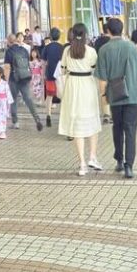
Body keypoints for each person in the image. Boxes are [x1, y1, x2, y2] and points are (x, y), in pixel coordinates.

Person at [95, 17, 137, 178]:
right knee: (130, 130)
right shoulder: (131, 47)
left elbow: (102, 77)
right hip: (132, 95)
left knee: (117, 128)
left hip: (115, 95)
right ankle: (129, 166)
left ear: (108, 31)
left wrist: (103, 97)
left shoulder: (104, 50)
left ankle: (119, 160)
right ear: (122, 30)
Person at [58, 23, 102, 175]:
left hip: (72, 86)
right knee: (92, 121)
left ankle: (82, 163)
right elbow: (95, 69)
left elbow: (63, 70)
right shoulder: (91, 51)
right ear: (85, 34)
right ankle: (92, 157)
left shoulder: (67, 51)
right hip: (87, 85)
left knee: (77, 125)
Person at [4, 33, 43, 131]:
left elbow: (7, 67)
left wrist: (5, 81)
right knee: (28, 99)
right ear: (16, 40)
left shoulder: (9, 51)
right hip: (25, 77)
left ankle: (15, 122)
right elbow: (28, 65)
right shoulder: (24, 50)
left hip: (13, 79)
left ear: (8, 41)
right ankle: (37, 119)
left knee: (13, 100)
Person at [42, 27, 64, 127]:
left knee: (49, 96)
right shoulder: (62, 47)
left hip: (50, 74)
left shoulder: (47, 47)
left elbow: (43, 62)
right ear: (59, 36)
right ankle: (63, 117)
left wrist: (43, 74)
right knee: (62, 96)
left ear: (50, 36)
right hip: (60, 75)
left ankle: (48, 116)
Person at [93, 23, 112, 123]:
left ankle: (106, 114)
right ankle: (113, 113)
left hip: (101, 68)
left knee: (103, 92)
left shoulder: (98, 41)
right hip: (113, 68)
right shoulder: (112, 41)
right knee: (114, 90)